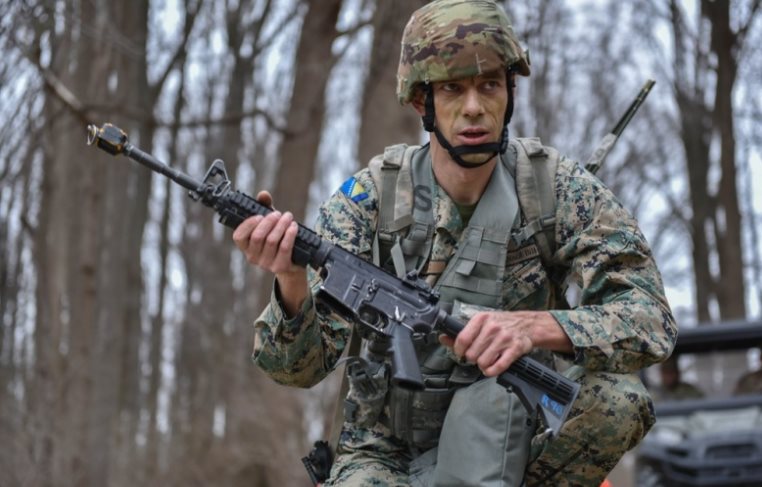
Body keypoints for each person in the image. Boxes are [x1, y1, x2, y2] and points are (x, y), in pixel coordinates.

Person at [233, 1, 676, 485]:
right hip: (388, 450)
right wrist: (290, 279)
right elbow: (294, 371)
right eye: (452, 88)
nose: (473, 107)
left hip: (516, 427)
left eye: (489, 85)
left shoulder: (552, 189)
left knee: (618, 400)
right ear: (420, 101)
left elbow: (651, 321)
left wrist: (535, 327)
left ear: (510, 91)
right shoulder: (374, 198)